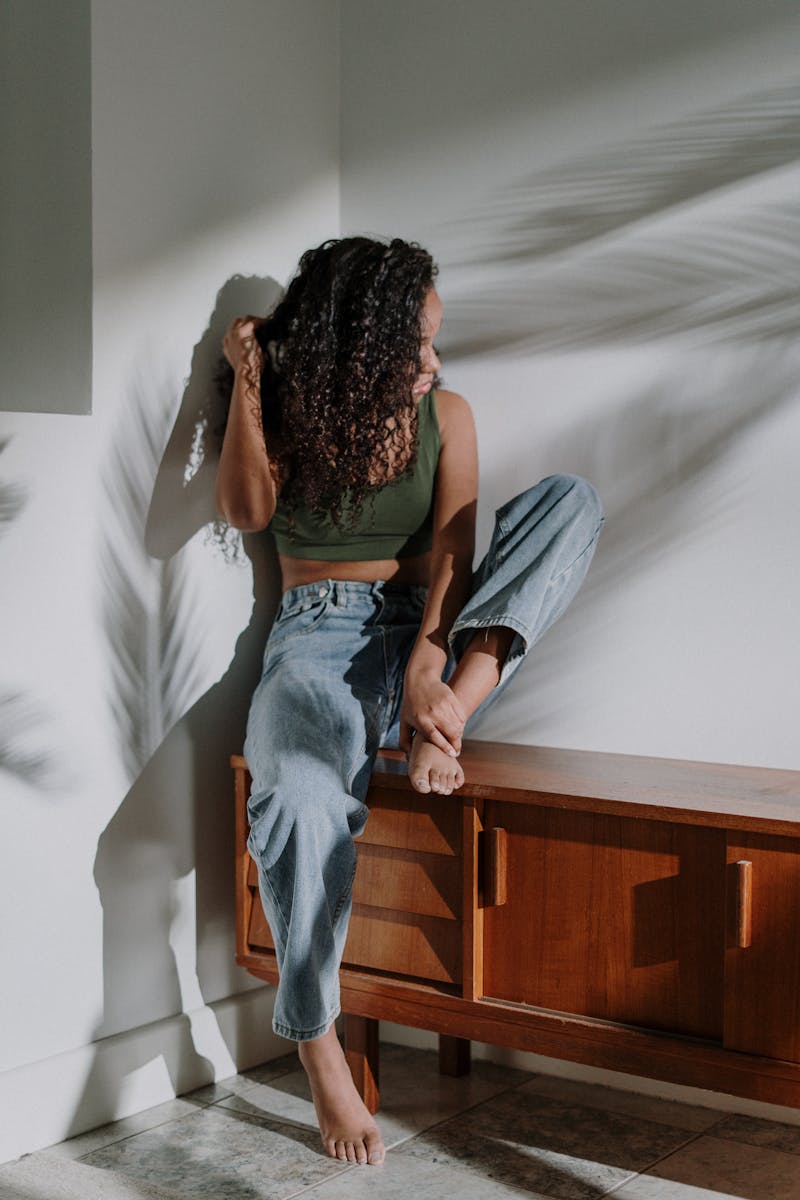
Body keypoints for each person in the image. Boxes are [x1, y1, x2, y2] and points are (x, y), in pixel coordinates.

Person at [215, 236, 603, 1166]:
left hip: (439, 635)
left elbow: (460, 552)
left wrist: (433, 666)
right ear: (361, 341)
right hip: (317, 640)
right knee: (297, 802)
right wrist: (247, 381)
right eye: (416, 343)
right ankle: (318, 1048)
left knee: (569, 502)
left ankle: (450, 718)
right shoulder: (295, 408)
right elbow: (245, 512)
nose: (433, 362)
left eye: (435, 341)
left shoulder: (449, 415)